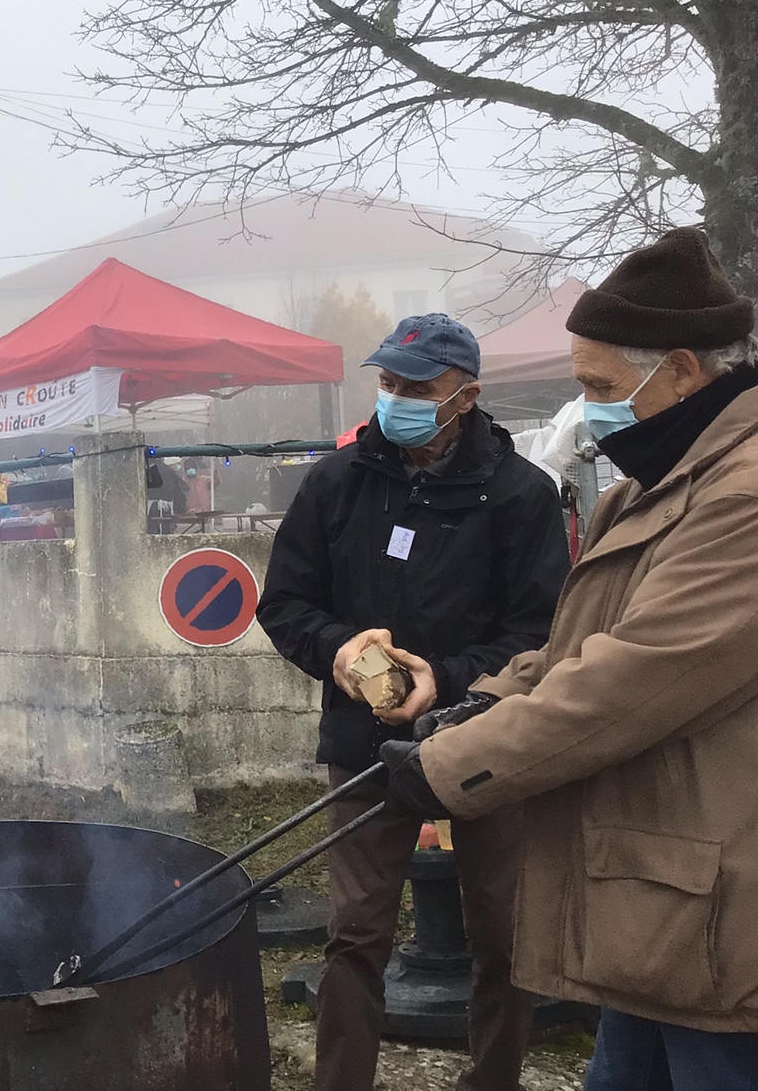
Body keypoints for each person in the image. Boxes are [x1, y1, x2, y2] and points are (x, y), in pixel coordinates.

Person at [382, 228, 758, 1088]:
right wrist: (489, 698)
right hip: (660, 902)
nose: (589, 408)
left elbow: (637, 676)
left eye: (601, 386)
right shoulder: (656, 480)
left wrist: (453, 766)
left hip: (725, 922)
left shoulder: (743, 497)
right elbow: (578, 644)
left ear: (683, 372)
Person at [257, 312, 570, 1091]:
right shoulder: (337, 481)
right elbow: (285, 601)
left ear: (465, 396)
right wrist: (339, 652)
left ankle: (492, 1078)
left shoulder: (521, 494)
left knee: (503, 936)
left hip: (489, 739)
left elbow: (541, 632)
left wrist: (449, 679)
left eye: (416, 387)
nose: (395, 399)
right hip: (365, 741)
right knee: (355, 936)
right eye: (388, 383)